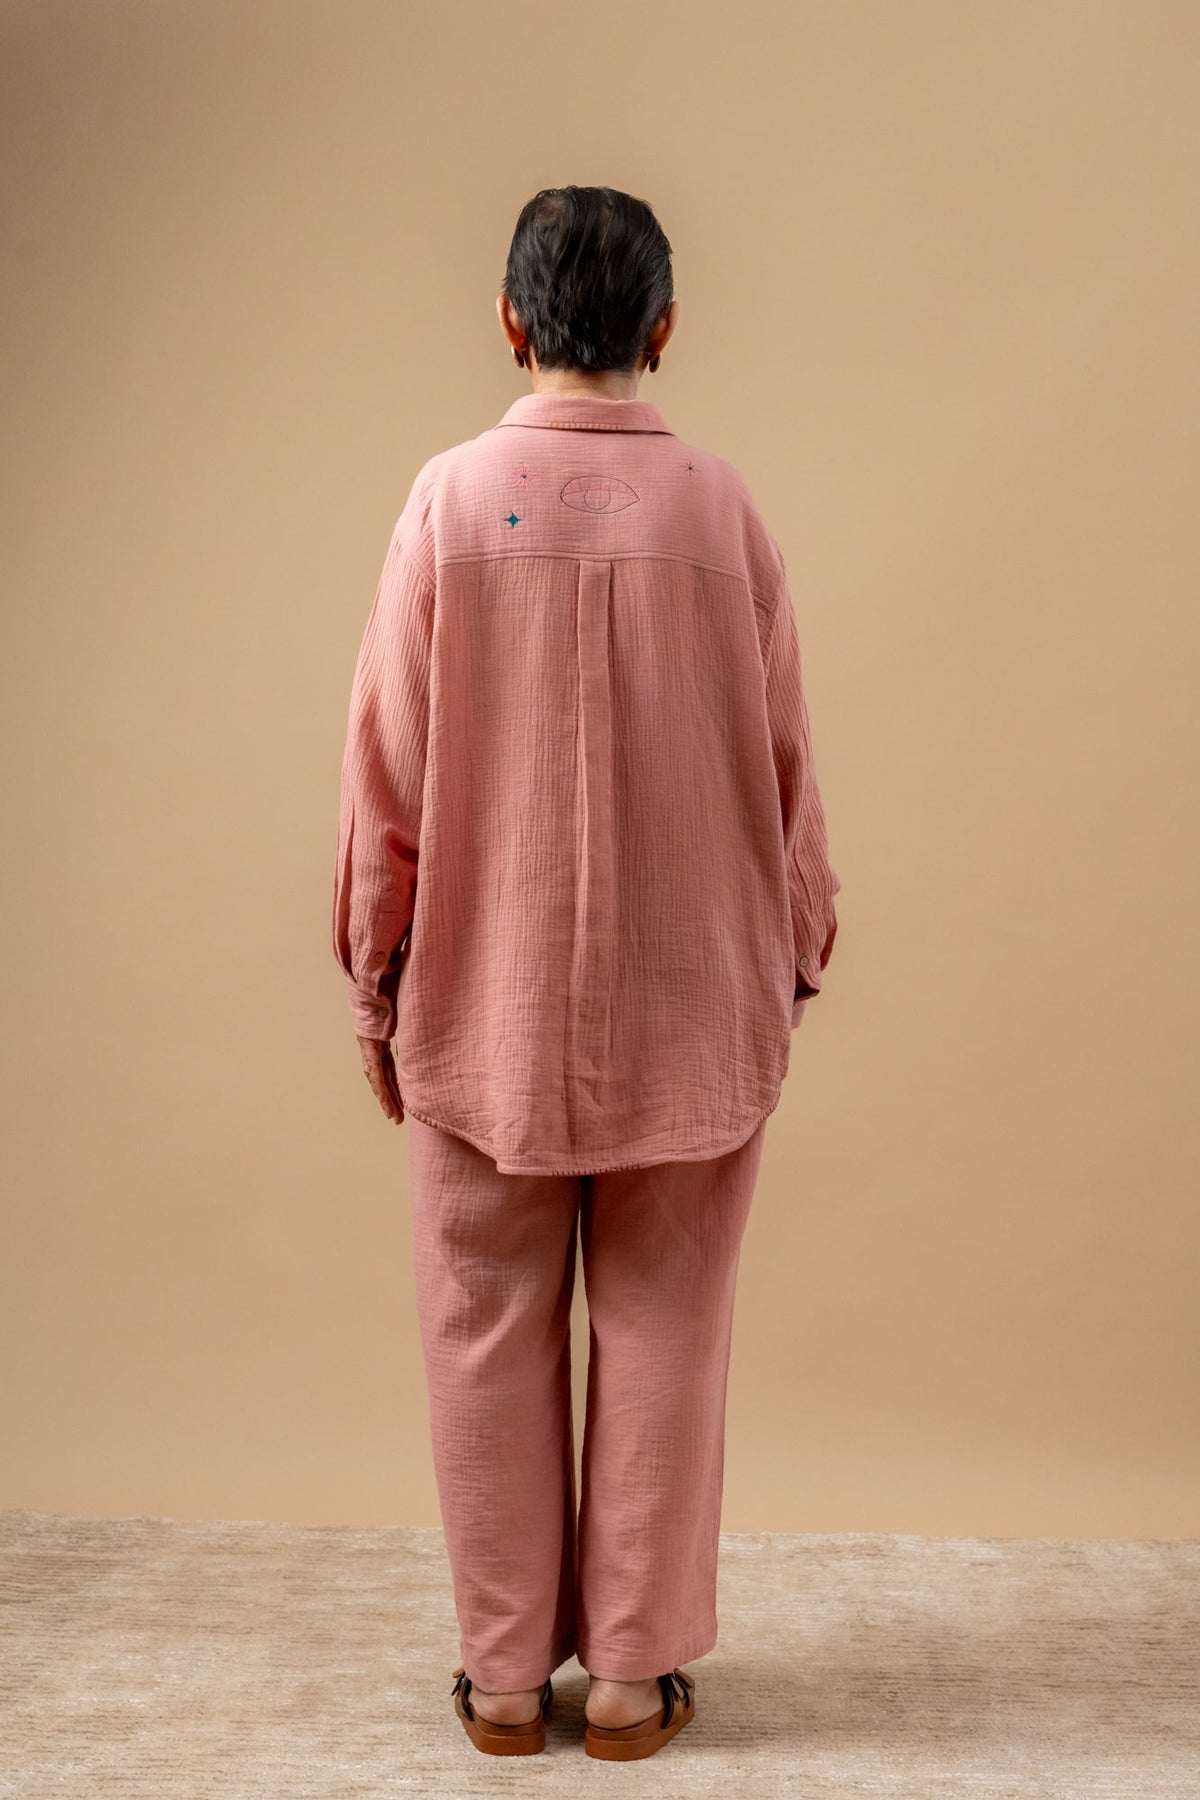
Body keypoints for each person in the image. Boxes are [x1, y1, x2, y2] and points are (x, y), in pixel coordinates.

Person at [331, 185, 841, 1761]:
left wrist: (376, 982)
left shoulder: (445, 501)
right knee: (669, 1318)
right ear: (663, 328)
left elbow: (386, 773)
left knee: (481, 1322)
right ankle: (627, 1680)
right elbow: (786, 774)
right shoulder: (722, 511)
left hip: (480, 1000)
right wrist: (798, 950)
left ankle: (501, 1682)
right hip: (696, 999)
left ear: (511, 319)